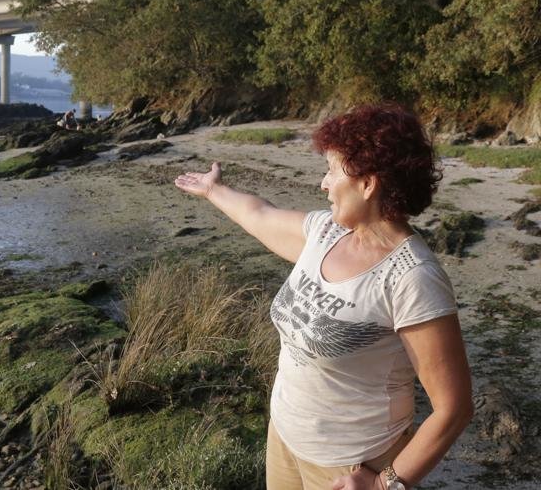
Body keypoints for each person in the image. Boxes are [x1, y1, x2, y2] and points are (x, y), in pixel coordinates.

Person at [174, 104, 473, 490]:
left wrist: (384, 484)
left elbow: (453, 409)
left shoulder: (412, 278)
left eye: (332, 170)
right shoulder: (326, 232)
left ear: (368, 184)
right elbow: (259, 215)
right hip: (284, 439)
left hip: (351, 466)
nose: (324, 183)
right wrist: (214, 189)